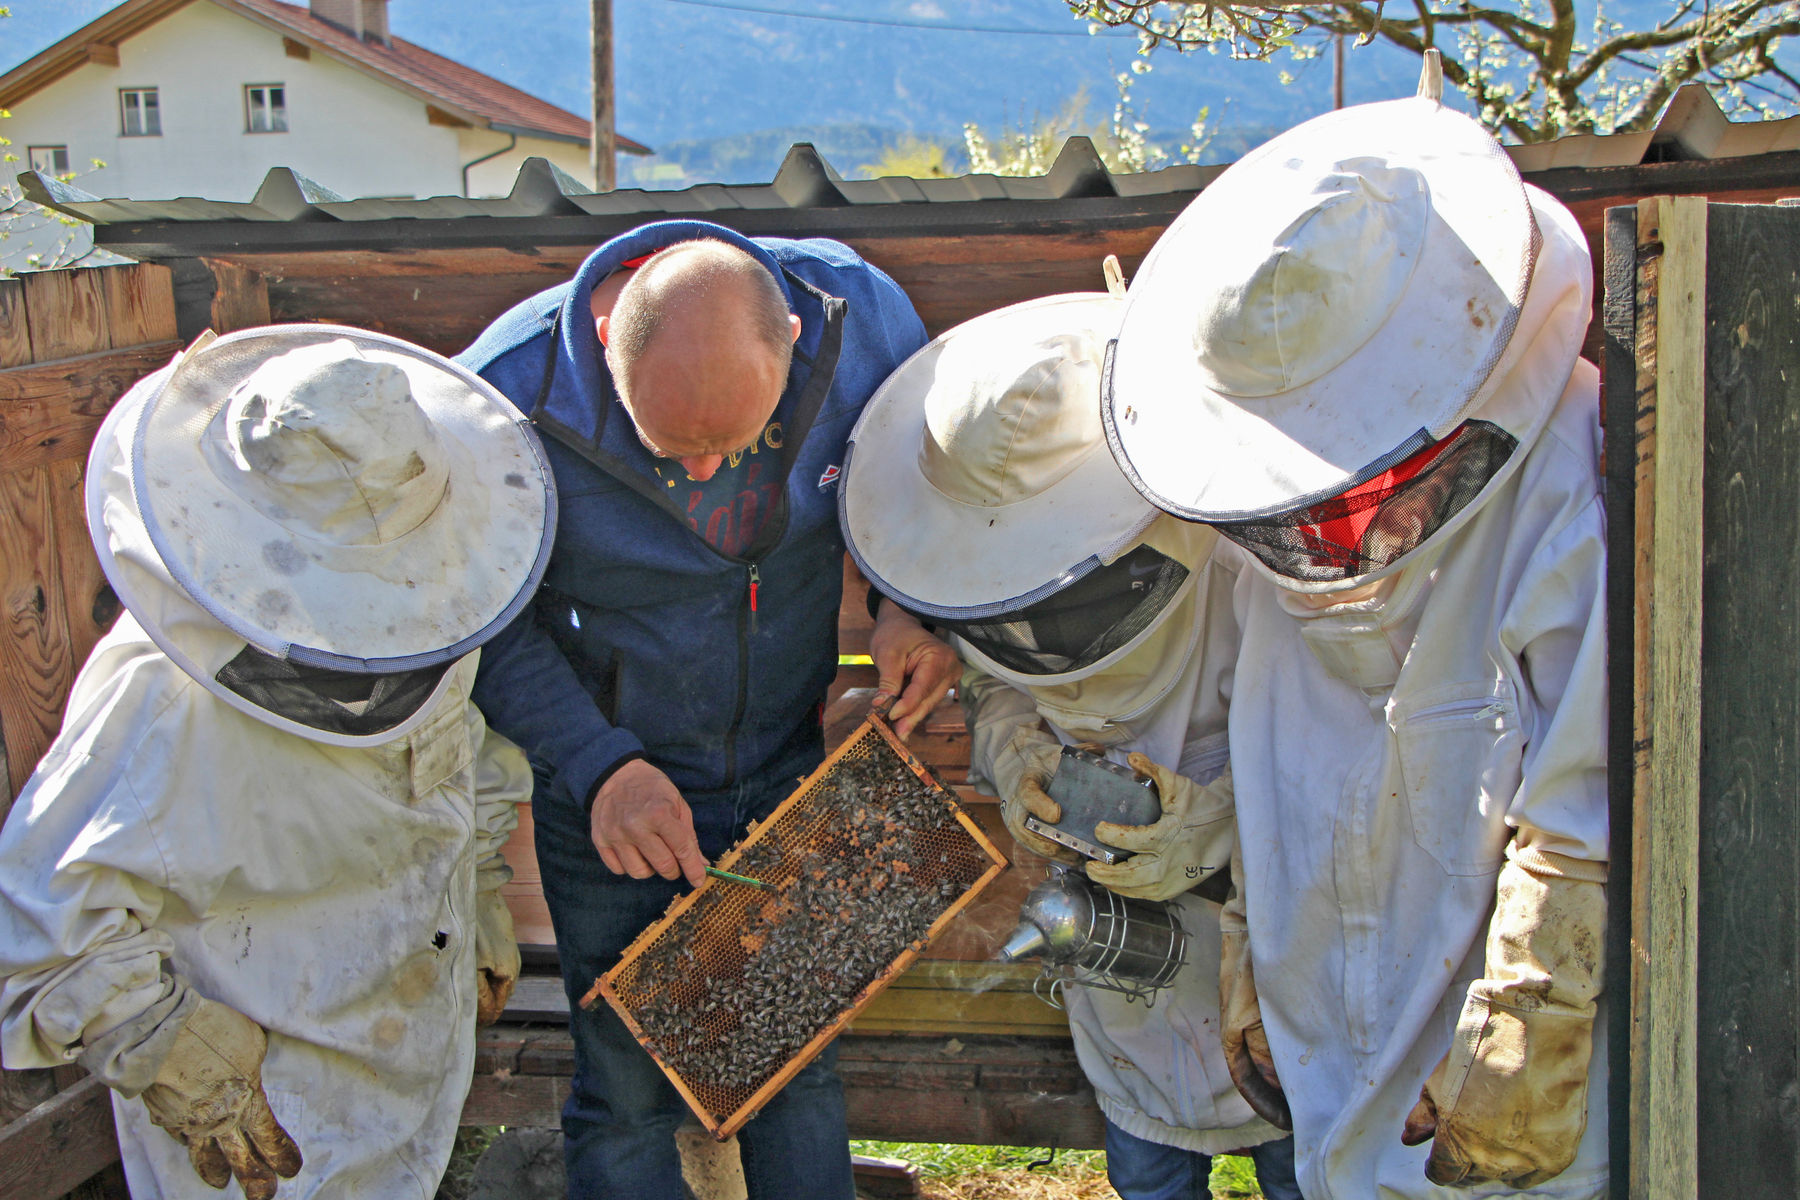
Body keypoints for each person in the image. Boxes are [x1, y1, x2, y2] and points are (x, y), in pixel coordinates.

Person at [1102, 89, 1609, 1197]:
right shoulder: (1260, 525)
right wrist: (1244, 940)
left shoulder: (1563, 481)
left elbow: (1590, 791)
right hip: (1329, 1046)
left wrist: (1533, 1012)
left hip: (1487, 1096)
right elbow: (1270, 748)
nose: (1334, 524)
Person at [457, 221, 958, 1199]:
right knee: (625, 1094)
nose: (700, 479)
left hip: (782, 766)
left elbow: (921, 479)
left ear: (796, 354)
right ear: (608, 347)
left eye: (732, 446)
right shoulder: (498, 400)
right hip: (607, 788)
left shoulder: (860, 321)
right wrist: (599, 765)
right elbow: (479, 619)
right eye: (671, 450)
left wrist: (909, 607)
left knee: (791, 1071)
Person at [0, 328, 554, 1199]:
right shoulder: (157, 703)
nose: (381, 617)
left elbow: (451, 744)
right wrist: (157, 1035)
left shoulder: (429, 595)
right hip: (257, 1124)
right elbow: (40, 928)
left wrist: (477, 883)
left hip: (405, 1057)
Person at [838, 288, 1303, 1200]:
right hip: (1120, 989)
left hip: (1277, 971)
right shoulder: (980, 549)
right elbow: (993, 670)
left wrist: (1218, 830)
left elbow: (1348, 750)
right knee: (1149, 1165)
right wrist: (1014, 755)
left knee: (1302, 1165)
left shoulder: (1253, 544)